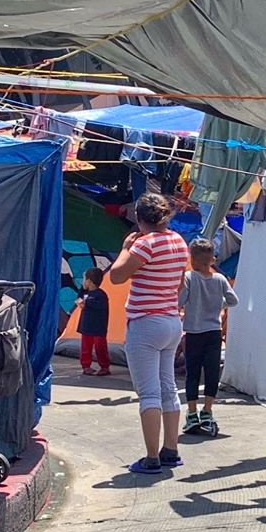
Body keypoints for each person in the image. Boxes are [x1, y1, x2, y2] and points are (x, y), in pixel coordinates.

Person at [103, 193, 188, 475]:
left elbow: (115, 276)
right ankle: (170, 450)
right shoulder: (178, 241)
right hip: (171, 321)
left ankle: (151, 457)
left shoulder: (144, 244)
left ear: (139, 218)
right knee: (168, 388)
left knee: (149, 393)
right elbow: (177, 285)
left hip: (145, 324)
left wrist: (125, 249)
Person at [180, 238, 238, 437]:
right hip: (213, 332)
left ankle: (192, 413)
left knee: (192, 373)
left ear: (192, 259)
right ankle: (208, 410)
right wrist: (218, 304)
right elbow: (233, 300)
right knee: (211, 372)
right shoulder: (220, 280)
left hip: (194, 333)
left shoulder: (189, 277)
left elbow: (180, 300)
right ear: (213, 260)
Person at [75, 267, 111, 376]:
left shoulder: (100, 295)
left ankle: (104, 366)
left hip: (98, 327)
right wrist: (80, 301)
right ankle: (86, 366)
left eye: (84, 279)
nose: (83, 282)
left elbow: (99, 306)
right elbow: (79, 297)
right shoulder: (84, 293)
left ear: (89, 281)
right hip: (86, 326)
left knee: (100, 348)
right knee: (86, 347)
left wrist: (87, 303)